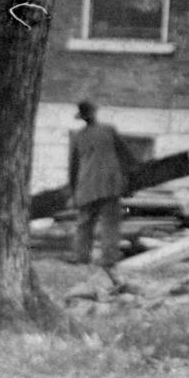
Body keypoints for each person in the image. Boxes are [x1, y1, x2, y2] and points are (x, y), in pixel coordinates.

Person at [68, 99, 135, 274]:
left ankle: (81, 258)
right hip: (109, 185)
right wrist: (131, 177)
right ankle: (108, 260)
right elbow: (126, 156)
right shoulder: (108, 130)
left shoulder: (77, 136)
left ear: (82, 118)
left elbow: (73, 167)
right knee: (110, 224)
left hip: (86, 187)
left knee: (84, 224)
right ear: (95, 113)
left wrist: (74, 192)